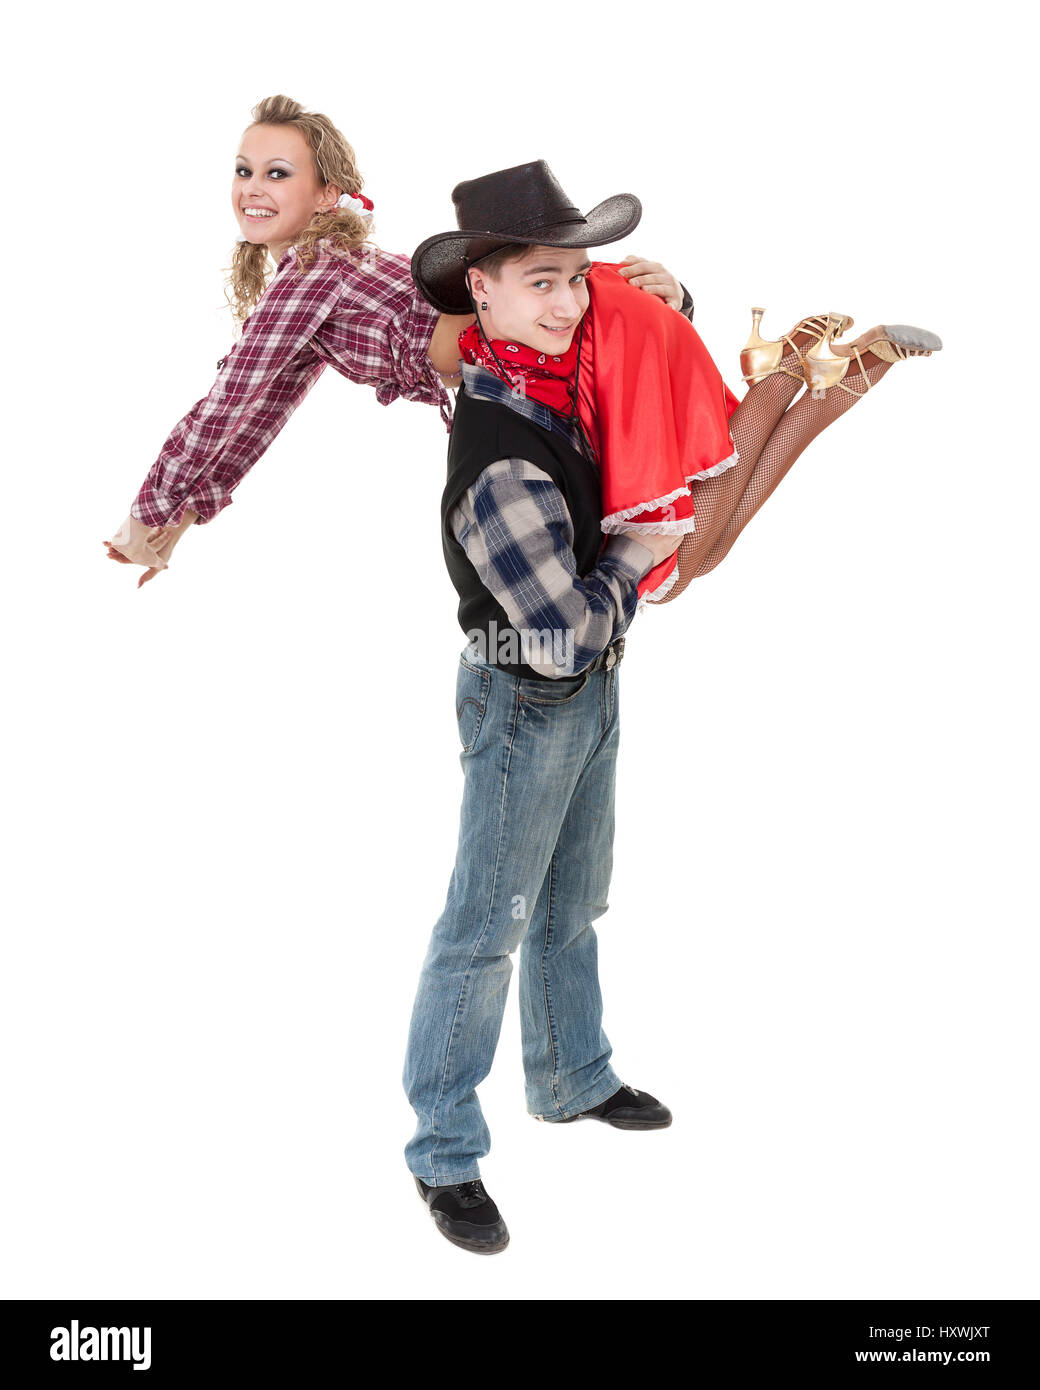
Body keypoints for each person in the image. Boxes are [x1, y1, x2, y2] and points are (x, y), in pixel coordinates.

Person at [402, 161, 940, 1254]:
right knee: (483, 933)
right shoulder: (498, 458)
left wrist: (669, 302)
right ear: (485, 295)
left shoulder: (547, 364)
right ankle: (444, 1154)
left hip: (585, 688)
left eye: (574, 279)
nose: (566, 302)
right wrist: (637, 551)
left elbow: (623, 358)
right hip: (525, 690)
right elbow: (559, 626)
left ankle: (570, 1076)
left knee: (573, 901)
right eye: (540, 282)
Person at [102, 95, 693, 585]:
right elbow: (262, 408)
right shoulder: (317, 273)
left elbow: (230, 402)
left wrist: (147, 511)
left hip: (544, 342)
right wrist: (183, 513)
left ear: (328, 193)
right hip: (521, 363)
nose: (254, 187)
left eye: (278, 173)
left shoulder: (315, 270)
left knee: (665, 494)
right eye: (244, 170)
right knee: (622, 508)